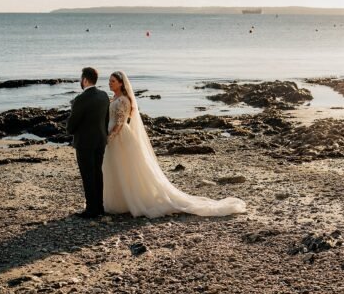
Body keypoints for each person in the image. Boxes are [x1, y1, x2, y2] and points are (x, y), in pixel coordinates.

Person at [103, 71, 246, 218]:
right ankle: (121, 201)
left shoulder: (122, 100)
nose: (110, 83)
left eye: (113, 81)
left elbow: (120, 123)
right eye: (109, 81)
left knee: (124, 168)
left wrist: (109, 138)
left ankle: (130, 200)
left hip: (120, 137)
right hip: (117, 135)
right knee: (118, 168)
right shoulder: (115, 98)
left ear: (121, 83)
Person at [66, 67, 111, 219]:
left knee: (88, 175)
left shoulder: (80, 99)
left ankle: (91, 209)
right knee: (97, 173)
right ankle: (99, 206)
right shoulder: (104, 95)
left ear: (84, 80)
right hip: (100, 140)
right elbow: (106, 119)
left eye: (81, 79)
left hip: (85, 142)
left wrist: (71, 129)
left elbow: (71, 126)